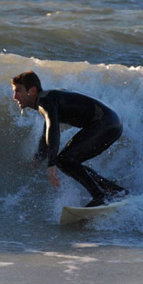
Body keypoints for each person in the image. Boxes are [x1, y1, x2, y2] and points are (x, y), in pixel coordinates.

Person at [11, 70, 126, 207]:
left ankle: (99, 196)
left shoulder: (45, 101)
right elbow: (46, 133)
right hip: (111, 123)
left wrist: (51, 163)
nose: (15, 97)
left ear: (32, 90)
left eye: (18, 91)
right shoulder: (49, 98)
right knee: (69, 161)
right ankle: (115, 190)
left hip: (105, 122)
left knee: (65, 160)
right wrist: (39, 159)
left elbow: (53, 129)